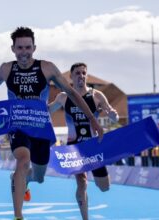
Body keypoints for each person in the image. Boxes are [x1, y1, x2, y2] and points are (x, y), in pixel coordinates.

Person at [0, 27, 103, 220]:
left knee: (39, 176)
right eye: (20, 48)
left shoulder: (47, 68)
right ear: (13, 49)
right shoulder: (6, 68)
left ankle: (24, 179)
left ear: (34, 47)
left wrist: (92, 120)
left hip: (41, 127)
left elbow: (72, 93)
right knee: (22, 159)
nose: (24, 52)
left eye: (28, 47)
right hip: (17, 124)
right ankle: (18, 216)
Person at [49, 62, 119, 220]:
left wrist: (113, 115)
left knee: (104, 187)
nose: (81, 76)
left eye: (83, 73)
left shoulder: (97, 96)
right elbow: (48, 110)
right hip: (74, 148)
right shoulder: (63, 97)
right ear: (71, 77)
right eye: (78, 73)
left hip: (93, 146)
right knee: (82, 183)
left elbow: (110, 113)